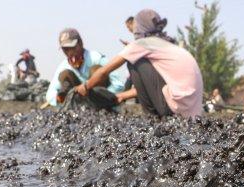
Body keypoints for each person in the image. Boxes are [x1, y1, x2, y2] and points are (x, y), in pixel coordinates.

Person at [76, 9, 204, 118]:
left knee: (134, 62)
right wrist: (121, 96)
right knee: (139, 61)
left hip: (174, 109)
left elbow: (105, 71)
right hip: (191, 111)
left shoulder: (142, 44)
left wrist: (85, 87)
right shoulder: (166, 44)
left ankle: (151, 117)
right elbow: (153, 86)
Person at [46, 28, 126, 109]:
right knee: (65, 74)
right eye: (66, 49)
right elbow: (50, 94)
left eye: (72, 47)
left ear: (80, 43)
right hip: (78, 104)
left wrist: (108, 95)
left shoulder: (96, 58)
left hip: (101, 100)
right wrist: (61, 98)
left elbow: (118, 84)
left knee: (96, 70)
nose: (70, 52)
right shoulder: (63, 66)